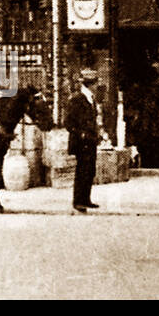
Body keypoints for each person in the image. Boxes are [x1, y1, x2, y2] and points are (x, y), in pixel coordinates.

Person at [66, 69, 100, 213]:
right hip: (82, 141)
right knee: (82, 170)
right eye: (96, 83)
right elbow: (68, 122)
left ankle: (86, 198)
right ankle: (78, 201)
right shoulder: (77, 98)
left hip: (91, 140)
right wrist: (81, 134)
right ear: (91, 84)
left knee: (90, 170)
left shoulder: (90, 98)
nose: (98, 86)